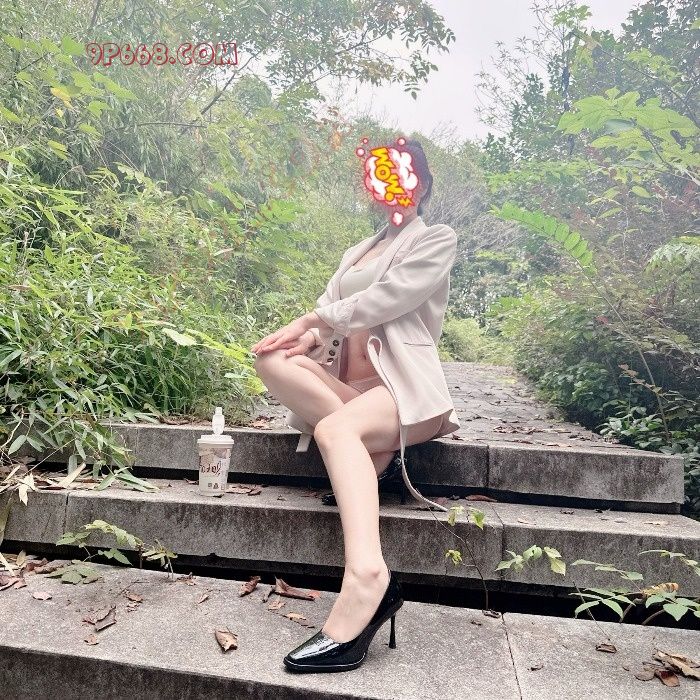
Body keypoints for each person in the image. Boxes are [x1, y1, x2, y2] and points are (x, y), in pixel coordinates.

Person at [251, 138, 461, 673]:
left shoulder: (435, 239)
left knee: (335, 432)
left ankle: (369, 578)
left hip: (401, 392)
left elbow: (387, 298)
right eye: (380, 176)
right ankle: (374, 459)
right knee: (272, 359)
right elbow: (329, 315)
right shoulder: (357, 250)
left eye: (401, 175)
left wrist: (311, 320)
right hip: (348, 390)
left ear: (422, 184)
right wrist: (305, 337)